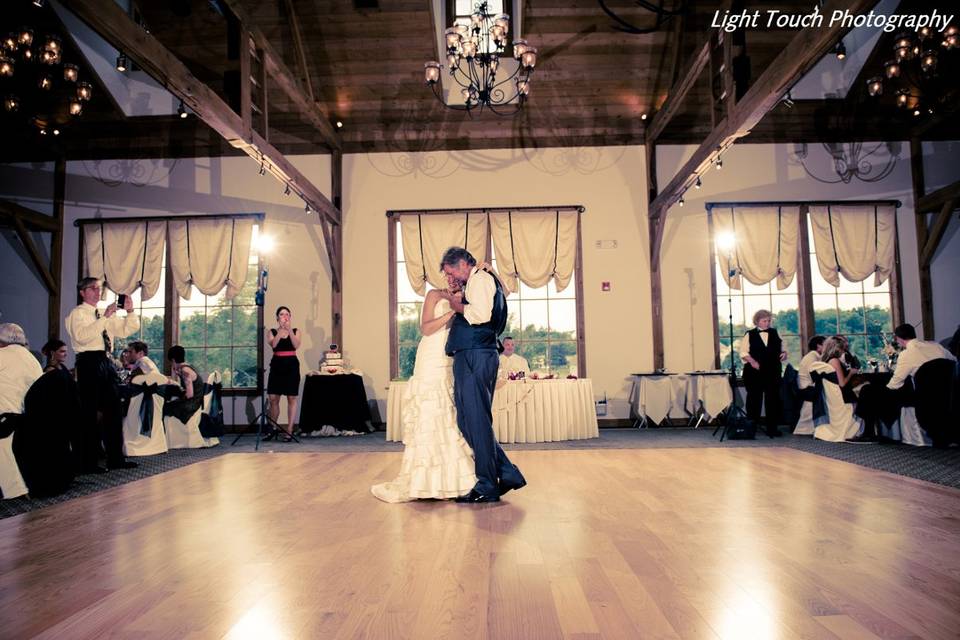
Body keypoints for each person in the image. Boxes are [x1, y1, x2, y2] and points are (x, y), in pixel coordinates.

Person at [371, 282, 477, 503]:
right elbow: (426, 328)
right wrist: (451, 313)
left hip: (449, 356)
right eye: (447, 274)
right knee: (429, 410)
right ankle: (423, 481)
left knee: (447, 415)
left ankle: (451, 481)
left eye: (455, 275)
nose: (452, 279)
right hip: (430, 354)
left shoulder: (467, 295)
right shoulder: (434, 295)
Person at [439, 246, 526, 503]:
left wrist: (456, 305)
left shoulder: (480, 280)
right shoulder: (479, 281)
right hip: (473, 354)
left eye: (451, 271)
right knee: (469, 422)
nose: (451, 277)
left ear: (464, 264)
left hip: (477, 355)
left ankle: (488, 484)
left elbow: (480, 315)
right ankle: (506, 473)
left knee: (475, 421)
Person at [65, 279, 139, 473]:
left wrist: (130, 311)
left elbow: (126, 330)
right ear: (82, 292)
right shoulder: (78, 313)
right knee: (88, 413)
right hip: (88, 362)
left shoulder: (103, 314)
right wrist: (105, 317)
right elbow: (82, 336)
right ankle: (88, 463)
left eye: (99, 289)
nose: (98, 292)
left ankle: (116, 459)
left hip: (106, 362)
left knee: (114, 411)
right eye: (93, 289)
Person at [854, 324, 957, 443]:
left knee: (868, 390)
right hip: (948, 392)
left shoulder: (907, 353)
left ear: (898, 339)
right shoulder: (936, 346)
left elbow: (895, 383)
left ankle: (869, 433)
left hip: (921, 395)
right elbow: (954, 362)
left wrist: (885, 388)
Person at [0, 323, 43, 500]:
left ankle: (14, 488)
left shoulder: (2, 355)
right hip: (27, 416)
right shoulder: (33, 359)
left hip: (5, 417)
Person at [740, 309, 788, 438]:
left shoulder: (775, 332)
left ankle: (772, 428)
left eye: (768, 321)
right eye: (764, 321)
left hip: (773, 371)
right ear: (757, 321)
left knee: (773, 400)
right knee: (754, 400)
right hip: (754, 372)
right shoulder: (749, 334)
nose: (767, 323)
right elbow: (743, 353)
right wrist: (752, 361)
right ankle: (751, 429)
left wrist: (784, 354)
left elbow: (783, 349)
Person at [265, 306, 301, 441]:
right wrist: (280, 331)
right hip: (277, 365)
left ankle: (290, 429)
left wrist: (289, 330)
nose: (284, 316)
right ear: (277, 317)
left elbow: (296, 345)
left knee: (291, 398)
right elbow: (274, 345)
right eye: (281, 314)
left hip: (291, 365)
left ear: (290, 317)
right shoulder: (272, 331)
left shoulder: (296, 331)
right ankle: (273, 428)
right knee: (273, 398)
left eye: (287, 314)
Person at [164, 345, 203, 423]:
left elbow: (189, 395)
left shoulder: (185, 371)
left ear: (173, 360)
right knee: (169, 403)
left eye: (171, 362)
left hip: (192, 404)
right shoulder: (187, 367)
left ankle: (164, 434)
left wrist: (177, 400)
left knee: (163, 407)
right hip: (195, 401)